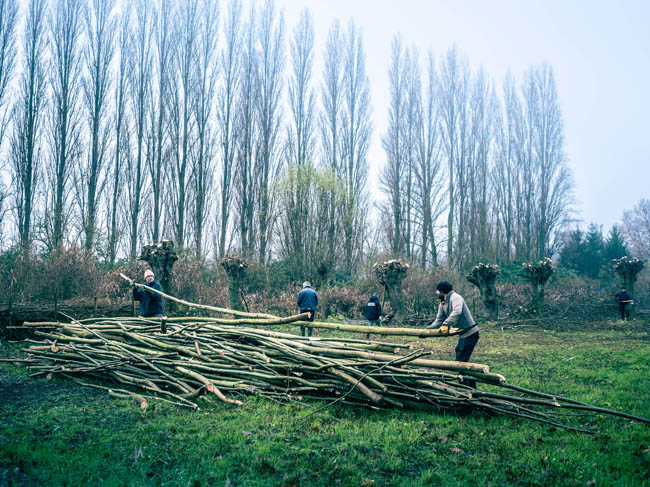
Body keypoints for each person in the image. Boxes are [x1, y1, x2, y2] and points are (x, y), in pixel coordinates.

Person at [427, 281, 480, 388]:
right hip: (463, 334)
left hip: (471, 333)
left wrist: (446, 323)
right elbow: (439, 320)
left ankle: (466, 386)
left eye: (437, 291)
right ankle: (468, 385)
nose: (436, 293)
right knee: (461, 358)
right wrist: (427, 330)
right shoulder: (442, 303)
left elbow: (457, 312)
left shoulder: (456, 297)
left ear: (442, 291)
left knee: (461, 361)